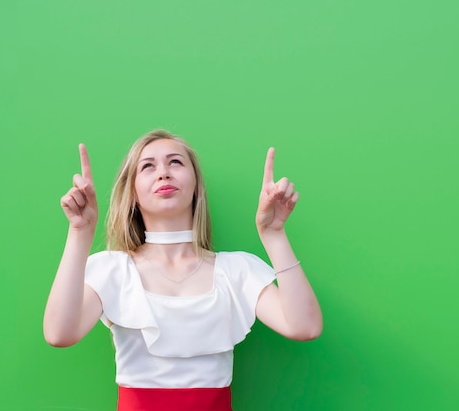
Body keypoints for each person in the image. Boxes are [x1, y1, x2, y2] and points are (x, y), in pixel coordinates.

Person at [43, 129, 322, 411]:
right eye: (147, 166)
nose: (163, 172)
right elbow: (58, 334)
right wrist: (80, 232)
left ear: (197, 186)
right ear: (133, 193)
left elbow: (305, 326)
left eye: (175, 162)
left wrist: (274, 234)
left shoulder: (236, 271)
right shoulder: (113, 270)